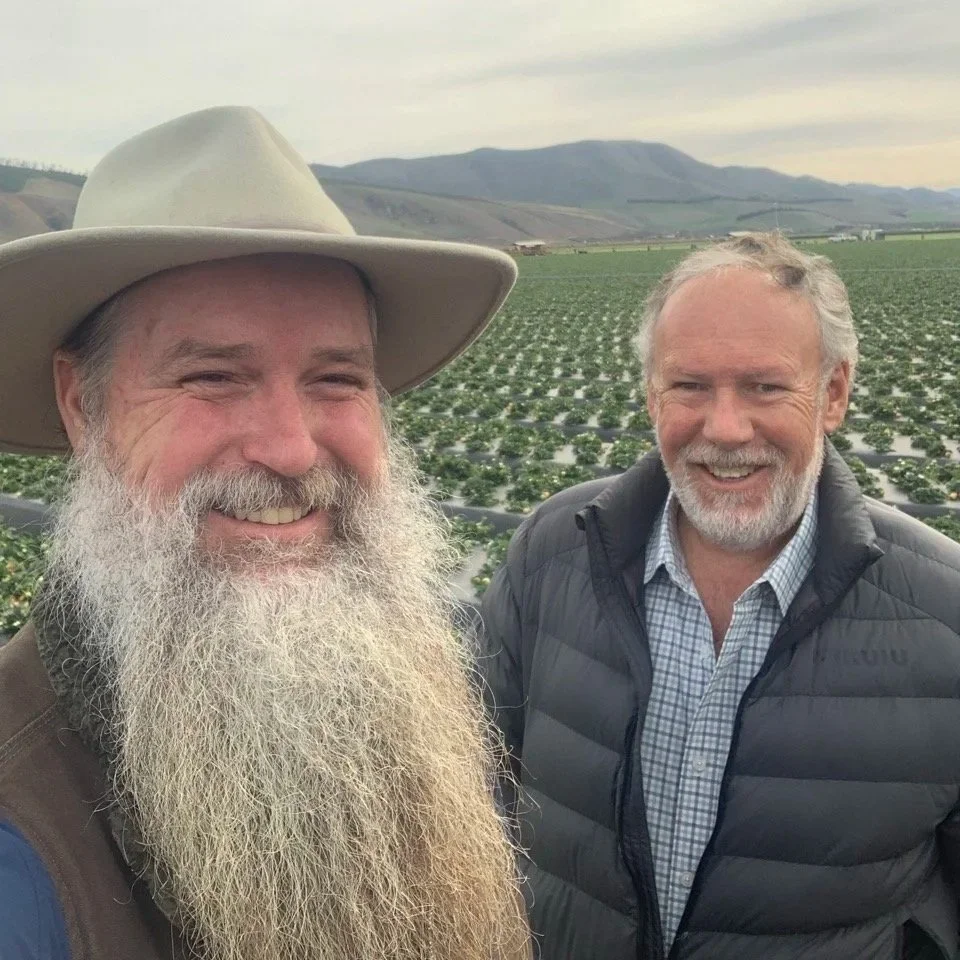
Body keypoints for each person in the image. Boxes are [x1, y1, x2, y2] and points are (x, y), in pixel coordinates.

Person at [0, 106, 531, 960]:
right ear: (81, 404)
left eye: (336, 377)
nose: (290, 448)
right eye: (213, 376)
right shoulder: (20, 845)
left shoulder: (415, 699)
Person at [480, 233, 960, 960]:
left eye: (765, 387)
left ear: (833, 393)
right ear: (651, 395)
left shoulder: (944, 614)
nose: (725, 428)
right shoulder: (552, 552)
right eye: (690, 386)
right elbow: (472, 792)